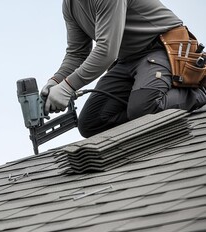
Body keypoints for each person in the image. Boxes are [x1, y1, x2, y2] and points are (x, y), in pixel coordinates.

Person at [41, 0, 206, 138]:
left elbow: (106, 51)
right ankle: (141, 106)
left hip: (161, 47)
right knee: (91, 123)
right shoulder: (70, 5)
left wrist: (68, 86)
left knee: (144, 109)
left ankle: (200, 91)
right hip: (127, 59)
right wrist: (55, 82)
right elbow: (77, 54)